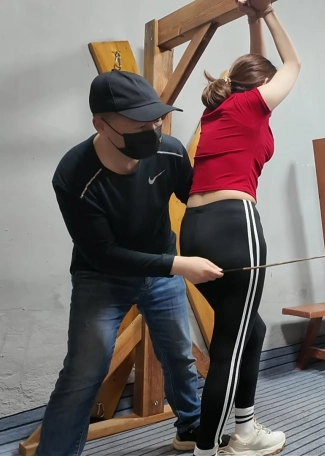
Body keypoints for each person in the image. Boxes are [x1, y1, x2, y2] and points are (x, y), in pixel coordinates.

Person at [39, 69, 227, 455]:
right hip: (101, 277)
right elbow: (103, 253)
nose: (152, 130)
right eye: (139, 124)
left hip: (161, 268)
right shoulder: (73, 176)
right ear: (100, 125)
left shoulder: (169, 152)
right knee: (83, 372)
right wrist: (180, 265)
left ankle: (190, 427)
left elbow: (196, 201)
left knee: (179, 355)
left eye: (155, 120)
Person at [177, 0, 301, 454]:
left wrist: (251, 20)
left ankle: (245, 431)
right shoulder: (251, 105)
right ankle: (209, 448)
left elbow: (260, 64)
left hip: (195, 228)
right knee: (229, 345)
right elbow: (293, 64)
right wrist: (268, 12)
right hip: (235, 226)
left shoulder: (221, 110)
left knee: (251, 330)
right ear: (262, 86)